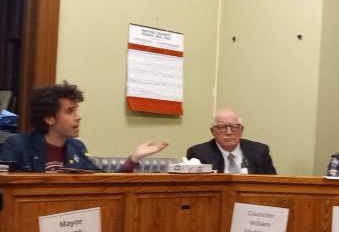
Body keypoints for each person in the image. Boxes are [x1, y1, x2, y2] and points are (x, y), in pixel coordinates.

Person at [0, 82, 167, 172]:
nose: (78, 117)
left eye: (77, 110)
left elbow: (103, 186)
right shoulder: (17, 145)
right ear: (49, 118)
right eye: (70, 111)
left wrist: (133, 160)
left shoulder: (77, 147)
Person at [186, 108, 277, 174]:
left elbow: (273, 185)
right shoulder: (199, 154)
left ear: (241, 130)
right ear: (213, 131)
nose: (229, 132)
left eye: (234, 127)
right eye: (222, 127)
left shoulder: (260, 151)